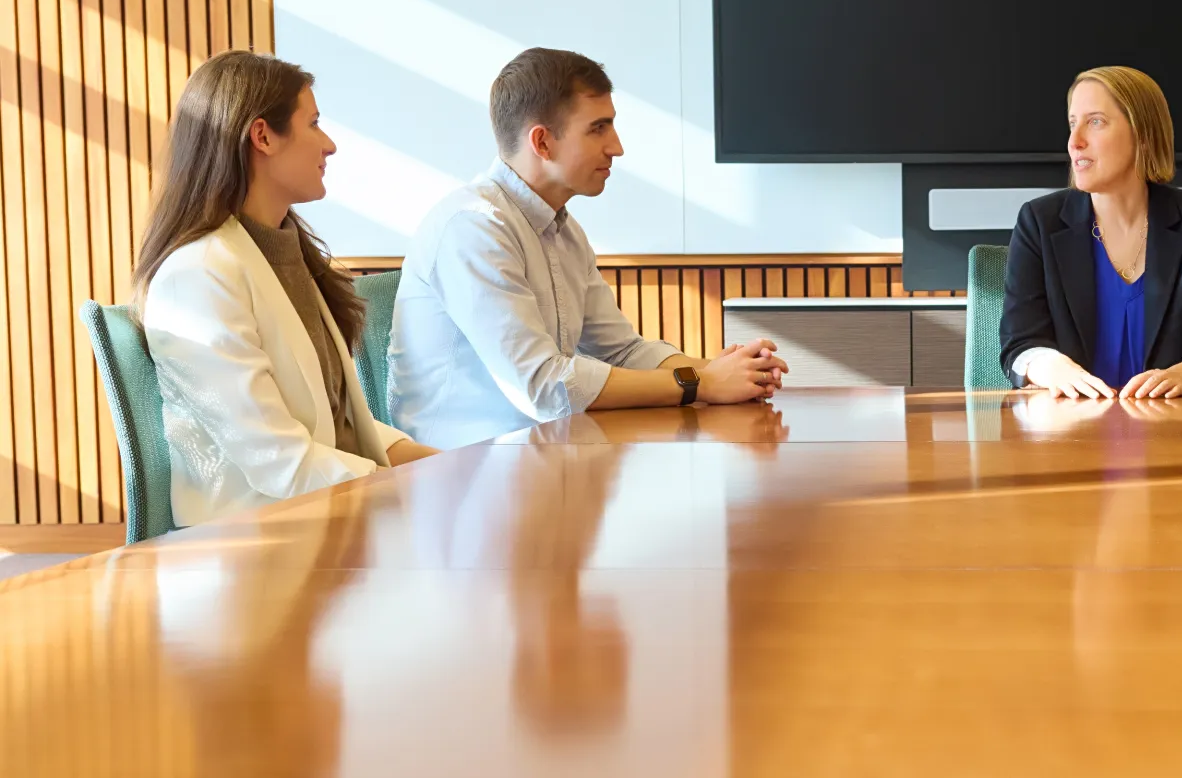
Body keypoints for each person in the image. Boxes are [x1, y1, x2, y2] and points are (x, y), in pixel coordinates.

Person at [388, 47, 788, 449]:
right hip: (462, 479)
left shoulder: (565, 230)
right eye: (598, 128)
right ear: (543, 142)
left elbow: (623, 351)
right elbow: (544, 388)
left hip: (543, 463)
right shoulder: (473, 227)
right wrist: (700, 383)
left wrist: (728, 372)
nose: (617, 147)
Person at [134, 50, 438, 528]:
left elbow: (327, 423)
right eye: (314, 123)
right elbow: (280, 461)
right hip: (255, 545)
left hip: (320, 517)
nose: (330, 144)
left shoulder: (286, 253)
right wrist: (420, 485)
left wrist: (439, 464)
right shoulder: (198, 275)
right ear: (262, 136)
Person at [999, 65, 1182, 400]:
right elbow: (1020, 342)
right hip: (1069, 433)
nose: (1075, 142)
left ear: (1142, 134)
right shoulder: (1039, 222)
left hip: (1173, 432)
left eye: (1095, 121)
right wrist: (1050, 365)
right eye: (1073, 123)